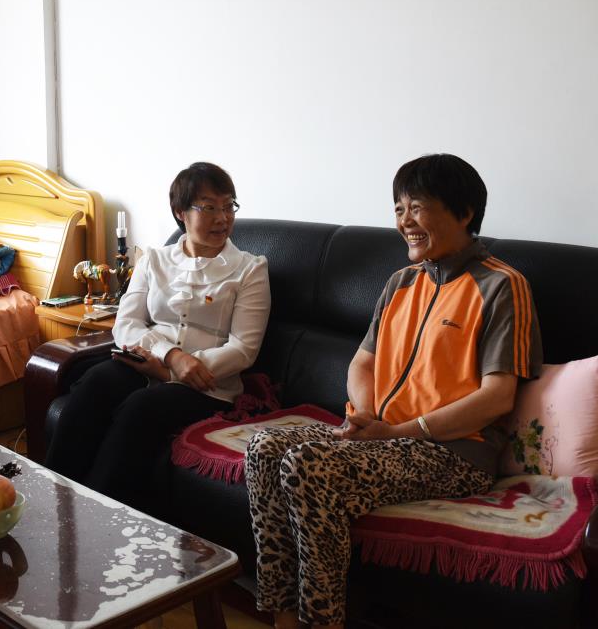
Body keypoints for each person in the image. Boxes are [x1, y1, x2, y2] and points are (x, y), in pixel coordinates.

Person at [244, 153, 543, 629]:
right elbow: (362, 362)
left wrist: (396, 432)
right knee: (263, 448)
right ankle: (283, 616)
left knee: (307, 464)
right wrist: (366, 418)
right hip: (383, 438)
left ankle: (322, 622)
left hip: (454, 453)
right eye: (399, 208)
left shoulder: (502, 286)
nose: (404, 221)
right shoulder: (400, 282)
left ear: (465, 213)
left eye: (417, 207)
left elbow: (497, 397)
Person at [45, 162, 270, 512]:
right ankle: (52, 498)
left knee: (142, 408)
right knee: (96, 382)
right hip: (145, 362)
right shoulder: (154, 260)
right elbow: (126, 324)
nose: (222, 218)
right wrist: (169, 356)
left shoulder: (250, 269)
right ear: (180, 212)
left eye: (229, 206)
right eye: (209, 207)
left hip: (207, 385)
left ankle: (99, 515)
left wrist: (176, 371)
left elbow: (244, 349)